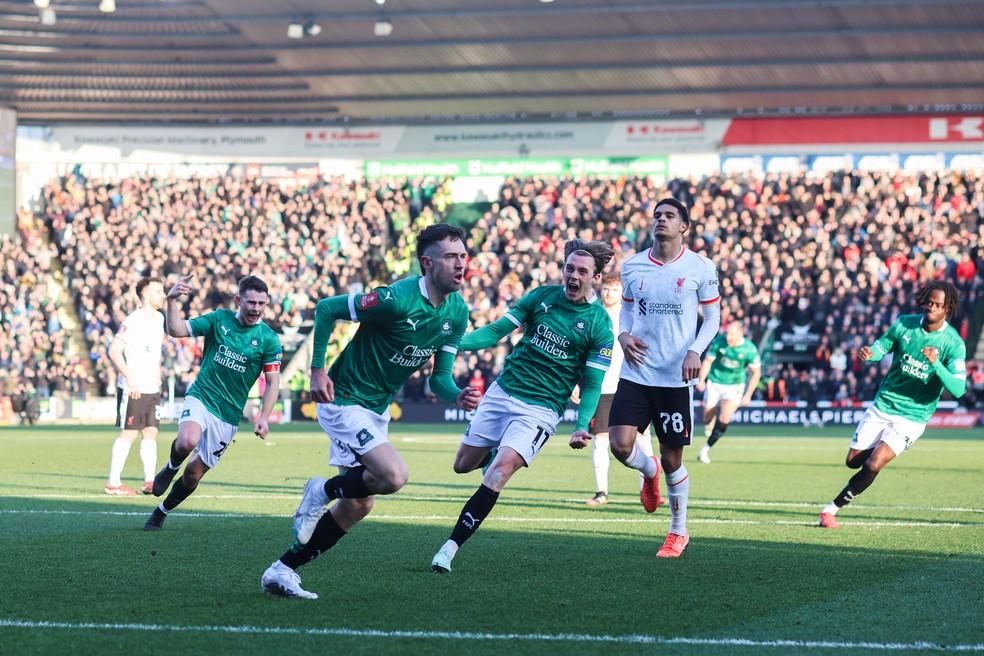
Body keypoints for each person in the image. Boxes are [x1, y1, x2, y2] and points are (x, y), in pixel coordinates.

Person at [261, 223, 481, 599]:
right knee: (394, 475)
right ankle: (320, 490)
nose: (461, 264)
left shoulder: (457, 313)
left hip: (375, 408)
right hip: (344, 399)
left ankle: (282, 570)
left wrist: (457, 395)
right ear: (427, 263)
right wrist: (317, 369)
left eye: (463, 256)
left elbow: (439, 379)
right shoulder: (396, 299)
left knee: (359, 502)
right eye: (451, 257)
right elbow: (328, 308)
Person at [430, 239, 615, 574]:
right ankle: (489, 456)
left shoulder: (600, 325)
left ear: (595, 279)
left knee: (499, 473)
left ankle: (449, 548)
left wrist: (581, 423)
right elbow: (496, 331)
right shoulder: (540, 297)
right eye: (569, 268)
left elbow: (591, 383)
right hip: (503, 392)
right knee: (462, 465)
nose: (573, 275)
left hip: (541, 410)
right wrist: (455, 343)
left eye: (582, 271)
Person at [607, 197, 721, 558]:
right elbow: (625, 311)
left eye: (669, 216)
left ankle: (678, 531)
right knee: (620, 445)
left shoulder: (701, 268)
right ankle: (647, 470)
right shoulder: (634, 265)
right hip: (637, 372)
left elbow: (713, 318)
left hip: (675, 377)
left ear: (683, 226)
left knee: (673, 459)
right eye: (657, 215)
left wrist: (695, 351)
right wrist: (623, 336)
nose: (661, 220)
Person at [819, 281, 966, 528]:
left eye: (937, 305)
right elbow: (881, 347)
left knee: (874, 463)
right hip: (884, 405)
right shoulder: (904, 324)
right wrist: (871, 355)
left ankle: (831, 510)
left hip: (913, 417)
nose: (930, 308)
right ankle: (874, 451)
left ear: (947, 309)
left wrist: (936, 364)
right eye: (929, 302)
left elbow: (958, 389)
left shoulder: (954, 343)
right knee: (853, 461)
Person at [143, 275, 282, 530]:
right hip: (203, 396)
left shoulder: (269, 339)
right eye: (251, 302)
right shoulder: (219, 320)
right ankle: (171, 466)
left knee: (194, 474)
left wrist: (264, 416)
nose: (256, 308)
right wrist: (171, 300)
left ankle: (161, 510)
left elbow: (273, 382)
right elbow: (175, 330)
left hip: (228, 415)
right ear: (238, 300)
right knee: (187, 441)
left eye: (262, 303)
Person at [580, 273, 653, 507]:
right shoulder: (593, 313)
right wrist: (577, 382)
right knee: (600, 440)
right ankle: (601, 491)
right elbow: (581, 349)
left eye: (613, 289)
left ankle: (648, 488)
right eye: (605, 289)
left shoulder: (632, 314)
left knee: (641, 438)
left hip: (631, 383)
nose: (607, 293)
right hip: (601, 386)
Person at [104, 277, 166, 496]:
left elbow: (153, 352)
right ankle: (113, 483)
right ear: (145, 294)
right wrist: (130, 378)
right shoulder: (133, 320)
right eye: (158, 291)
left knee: (151, 432)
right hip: (135, 387)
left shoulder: (159, 319)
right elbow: (113, 351)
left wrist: (157, 373)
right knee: (129, 433)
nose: (163, 295)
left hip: (152, 386)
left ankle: (150, 481)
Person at [695, 321, 761, 464]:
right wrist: (701, 380)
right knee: (706, 418)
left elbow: (756, 373)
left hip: (735, 386)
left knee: (725, 417)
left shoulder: (749, 349)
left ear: (740, 333)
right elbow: (707, 362)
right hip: (715, 382)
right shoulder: (719, 342)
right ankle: (709, 422)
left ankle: (705, 450)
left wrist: (748, 394)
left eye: (732, 334)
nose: (728, 337)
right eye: (727, 333)